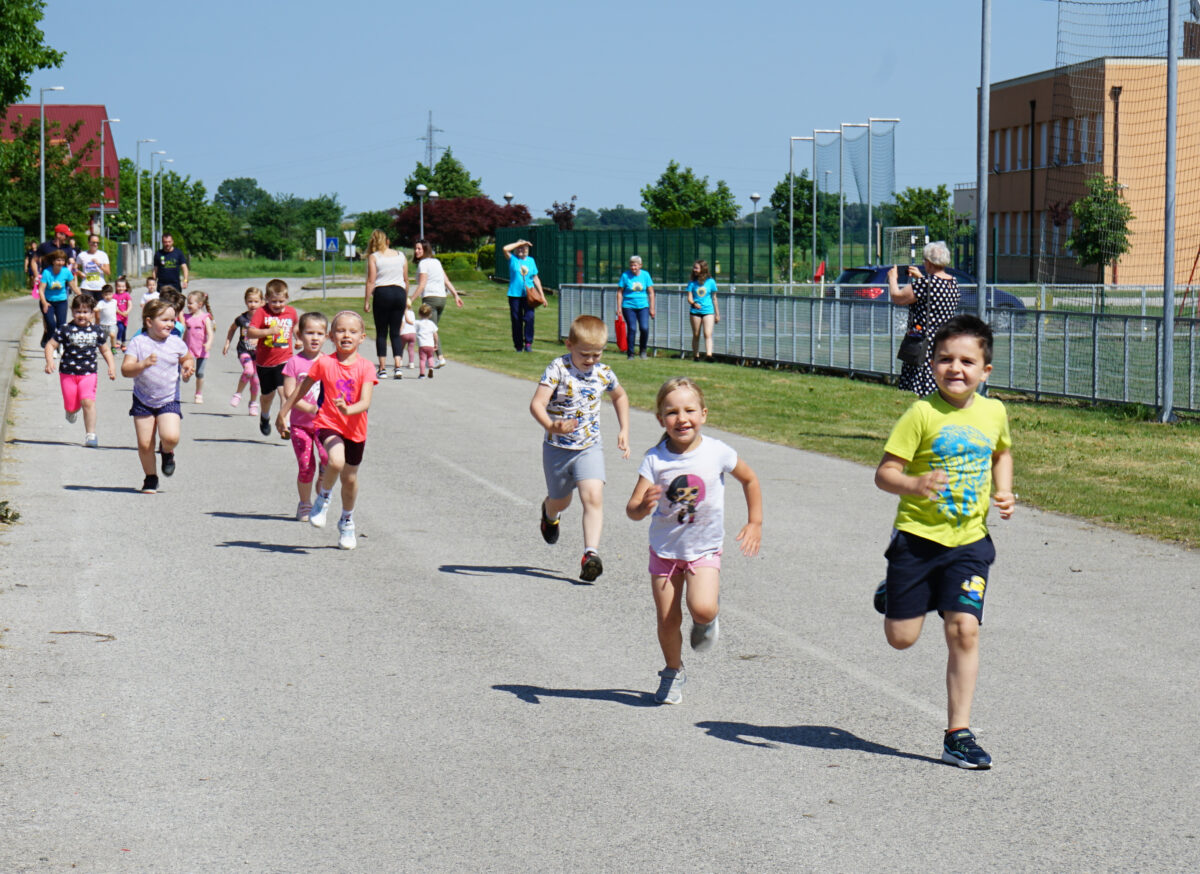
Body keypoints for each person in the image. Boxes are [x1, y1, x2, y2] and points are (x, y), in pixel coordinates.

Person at [873, 314, 1014, 769]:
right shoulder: (921, 413)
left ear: (985, 371)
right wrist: (913, 484)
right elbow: (885, 473)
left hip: (969, 542)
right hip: (917, 541)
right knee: (901, 638)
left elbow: (1002, 451)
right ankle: (895, 590)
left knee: (964, 629)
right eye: (945, 359)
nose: (956, 368)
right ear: (932, 364)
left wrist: (1004, 490)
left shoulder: (994, 412)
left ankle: (958, 734)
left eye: (967, 361)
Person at [625, 377, 763, 705]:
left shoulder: (717, 452)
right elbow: (632, 508)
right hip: (665, 551)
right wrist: (643, 507)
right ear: (661, 419)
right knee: (668, 620)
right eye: (672, 412)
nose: (681, 418)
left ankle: (707, 618)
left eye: (689, 410)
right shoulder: (655, 459)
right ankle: (673, 672)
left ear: (703, 414)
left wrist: (755, 521)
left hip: (704, 549)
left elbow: (749, 479)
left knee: (701, 608)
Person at [530, 314, 631, 582]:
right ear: (569, 345)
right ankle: (550, 513)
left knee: (593, 497)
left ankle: (590, 554)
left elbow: (620, 395)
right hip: (558, 448)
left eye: (597, 354)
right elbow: (537, 404)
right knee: (561, 501)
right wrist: (551, 425)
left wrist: (624, 428)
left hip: (589, 447)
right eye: (584, 354)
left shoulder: (603, 372)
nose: (590, 360)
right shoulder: (558, 369)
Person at [277, 310, 377, 551]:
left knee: (350, 479)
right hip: (328, 424)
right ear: (331, 336)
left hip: (355, 429)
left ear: (362, 337)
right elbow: (301, 389)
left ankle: (346, 521)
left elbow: (365, 402)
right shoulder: (324, 363)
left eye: (352, 332)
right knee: (335, 461)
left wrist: (348, 409)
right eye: (341, 331)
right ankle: (323, 498)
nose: (346, 335)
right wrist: (283, 412)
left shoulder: (366, 367)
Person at [122, 298, 196, 494]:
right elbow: (126, 370)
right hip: (143, 399)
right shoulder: (138, 342)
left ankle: (166, 450)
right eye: (164, 320)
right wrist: (142, 364)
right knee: (145, 444)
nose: (170, 324)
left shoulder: (176, 342)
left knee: (171, 437)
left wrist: (188, 366)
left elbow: (187, 358)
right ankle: (151, 478)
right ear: (149, 321)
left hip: (168, 398)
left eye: (172, 320)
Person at [888, 241, 961, 397]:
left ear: (928, 262)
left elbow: (897, 297)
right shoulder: (952, 282)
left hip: (924, 343)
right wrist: (920, 277)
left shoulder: (926, 283)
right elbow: (933, 294)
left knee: (921, 382)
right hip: (943, 340)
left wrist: (892, 279)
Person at [43, 293, 116, 448]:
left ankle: (91, 434)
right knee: (71, 406)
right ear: (72, 312)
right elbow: (50, 345)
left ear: (92, 313)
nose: (82, 315)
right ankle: (70, 410)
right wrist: (49, 361)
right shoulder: (65, 329)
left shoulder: (97, 330)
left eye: (85, 312)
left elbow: (105, 350)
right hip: (67, 373)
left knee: (87, 401)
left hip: (88, 373)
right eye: (78, 311)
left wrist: (111, 366)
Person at [280, 312, 330, 521]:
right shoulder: (294, 363)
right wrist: (311, 408)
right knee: (305, 465)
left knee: (328, 458)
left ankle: (324, 475)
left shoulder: (329, 362)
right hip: (300, 425)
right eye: (310, 333)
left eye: (319, 333)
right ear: (300, 335)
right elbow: (290, 394)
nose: (315, 338)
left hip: (324, 425)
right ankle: (305, 503)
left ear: (326, 336)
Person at [246, 279, 297, 436]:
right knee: (267, 396)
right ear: (266, 298)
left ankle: (285, 424)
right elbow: (250, 332)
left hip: (285, 359)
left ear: (287, 298)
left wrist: (299, 338)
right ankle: (265, 416)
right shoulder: (261, 313)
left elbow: (295, 326)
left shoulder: (291, 312)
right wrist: (268, 331)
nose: (277, 305)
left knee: (285, 393)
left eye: (281, 301)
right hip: (265, 363)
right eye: (274, 301)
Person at [362, 229, 408, 379]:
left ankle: (382, 368)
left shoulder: (374, 257)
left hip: (382, 292)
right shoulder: (401, 255)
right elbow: (406, 279)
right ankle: (398, 366)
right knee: (395, 332)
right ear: (387, 241)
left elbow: (371, 281)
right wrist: (405, 297)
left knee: (382, 332)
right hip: (399, 292)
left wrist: (367, 301)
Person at [411, 238, 463, 369]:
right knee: (432, 328)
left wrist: (410, 299)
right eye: (416, 248)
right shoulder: (436, 262)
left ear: (425, 249)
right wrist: (455, 295)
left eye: (419, 249)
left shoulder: (423, 264)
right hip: (442, 299)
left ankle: (439, 358)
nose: (416, 251)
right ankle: (431, 358)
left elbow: (422, 284)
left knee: (430, 329)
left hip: (431, 299)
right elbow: (446, 280)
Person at [222, 286, 263, 416]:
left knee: (255, 381)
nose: (253, 304)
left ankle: (253, 404)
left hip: (258, 354)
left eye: (256, 301)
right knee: (248, 371)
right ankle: (238, 394)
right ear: (245, 302)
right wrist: (227, 343)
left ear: (262, 302)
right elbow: (232, 329)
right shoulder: (242, 319)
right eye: (250, 301)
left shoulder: (264, 320)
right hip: (244, 350)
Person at [503, 238, 543, 352]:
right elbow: (505, 249)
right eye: (519, 248)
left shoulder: (531, 261)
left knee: (529, 318)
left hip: (529, 295)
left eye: (524, 248)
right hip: (514, 295)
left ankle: (528, 343)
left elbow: (535, 278)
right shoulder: (512, 259)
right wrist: (519, 243)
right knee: (516, 320)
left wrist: (542, 295)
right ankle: (518, 345)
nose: (521, 250)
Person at [617, 255, 656, 360]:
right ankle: (630, 353)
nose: (633, 267)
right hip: (628, 306)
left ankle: (643, 351)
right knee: (632, 328)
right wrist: (619, 308)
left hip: (643, 306)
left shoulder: (646, 275)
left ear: (640, 265)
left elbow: (651, 292)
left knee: (644, 328)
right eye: (631, 265)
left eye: (635, 265)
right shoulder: (625, 276)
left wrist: (652, 308)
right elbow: (620, 292)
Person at [39, 249, 78, 347]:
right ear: (53, 261)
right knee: (51, 324)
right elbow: (41, 290)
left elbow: (73, 286)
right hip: (48, 302)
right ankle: (50, 344)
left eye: (62, 260)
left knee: (61, 325)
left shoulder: (66, 272)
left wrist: (82, 296)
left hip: (61, 302)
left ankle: (59, 344)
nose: (60, 263)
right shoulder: (47, 272)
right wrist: (44, 303)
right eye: (58, 260)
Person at [183, 291, 214, 403]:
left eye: (191, 303)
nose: (188, 305)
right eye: (187, 303)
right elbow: (185, 333)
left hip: (202, 350)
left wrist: (209, 343)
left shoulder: (205, 318)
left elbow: (210, 333)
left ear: (200, 304)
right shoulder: (186, 317)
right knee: (187, 371)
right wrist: (182, 344)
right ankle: (186, 375)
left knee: (199, 373)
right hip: (189, 349)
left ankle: (198, 393)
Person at [686, 260, 720, 362]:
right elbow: (689, 298)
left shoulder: (711, 282)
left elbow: (714, 298)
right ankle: (696, 356)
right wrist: (693, 303)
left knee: (707, 333)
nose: (694, 270)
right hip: (695, 312)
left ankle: (709, 355)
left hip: (708, 311)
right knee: (696, 334)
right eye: (694, 268)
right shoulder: (692, 282)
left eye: (696, 268)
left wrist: (717, 314)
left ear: (703, 269)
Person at [414, 303, 439, 379]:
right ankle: (431, 369)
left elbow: (412, 328)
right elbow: (435, 335)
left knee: (422, 359)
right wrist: (436, 343)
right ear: (430, 315)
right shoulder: (431, 324)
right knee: (430, 357)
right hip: (430, 344)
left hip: (422, 344)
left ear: (419, 314)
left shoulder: (417, 323)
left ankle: (422, 374)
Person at [95, 284, 119, 353]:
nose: (108, 296)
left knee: (112, 335)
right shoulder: (101, 302)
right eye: (106, 295)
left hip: (112, 323)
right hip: (103, 324)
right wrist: (95, 309)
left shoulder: (114, 302)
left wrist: (123, 313)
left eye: (109, 294)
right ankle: (103, 350)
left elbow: (116, 310)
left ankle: (113, 347)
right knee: (103, 339)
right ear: (102, 295)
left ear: (112, 294)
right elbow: (97, 308)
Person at [113, 276, 133, 351]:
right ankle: (118, 341)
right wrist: (119, 312)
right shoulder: (114, 296)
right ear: (116, 287)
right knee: (120, 328)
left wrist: (127, 312)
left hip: (125, 317)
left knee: (124, 330)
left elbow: (130, 305)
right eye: (119, 286)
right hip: (117, 316)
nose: (121, 288)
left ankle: (123, 343)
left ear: (126, 287)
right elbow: (113, 306)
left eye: (123, 286)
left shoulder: (126, 295)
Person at [398, 304, 417, 370]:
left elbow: (403, 323)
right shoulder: (412, 313)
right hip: (413, 333)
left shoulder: (403, 313)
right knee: (411, 348)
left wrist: (400, 331)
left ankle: (400, 361)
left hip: (404, 333)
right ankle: (411, 363)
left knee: (401, 348)